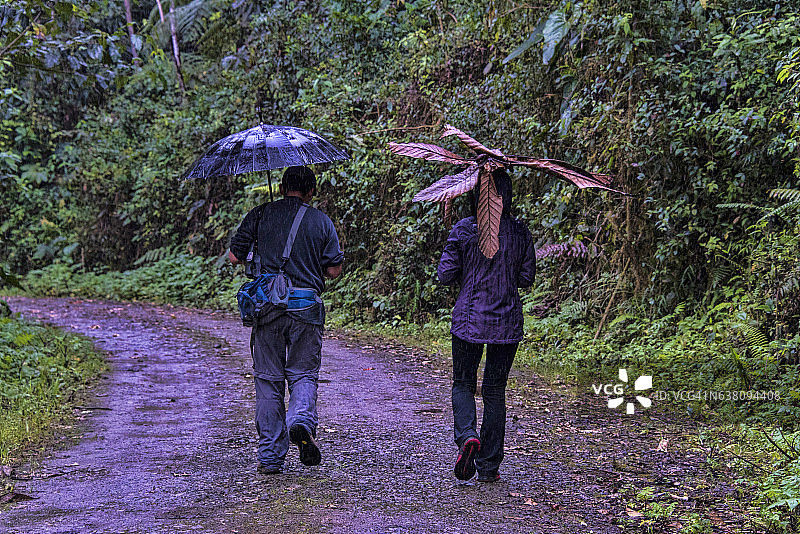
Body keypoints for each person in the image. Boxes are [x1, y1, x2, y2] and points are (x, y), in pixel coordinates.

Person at [229, 165, 343, 475]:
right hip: (306, 309)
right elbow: (333, 270)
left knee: (268, 379)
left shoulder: (260, 214)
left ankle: (270, 457)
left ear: (281, 188)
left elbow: (235, 256)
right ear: (311, 192)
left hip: (268, 308)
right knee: (303, 373)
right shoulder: (321, 221)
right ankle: (300, 421)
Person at [437, 168, 536, 482]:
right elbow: (527, 278)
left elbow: (445, 274)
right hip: (506, 322)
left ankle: (468, 436)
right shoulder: (520, 232)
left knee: (463, 383)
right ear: (507, 197)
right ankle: (489, 466)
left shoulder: (465, 229)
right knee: (495, 390)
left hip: (469, 319)